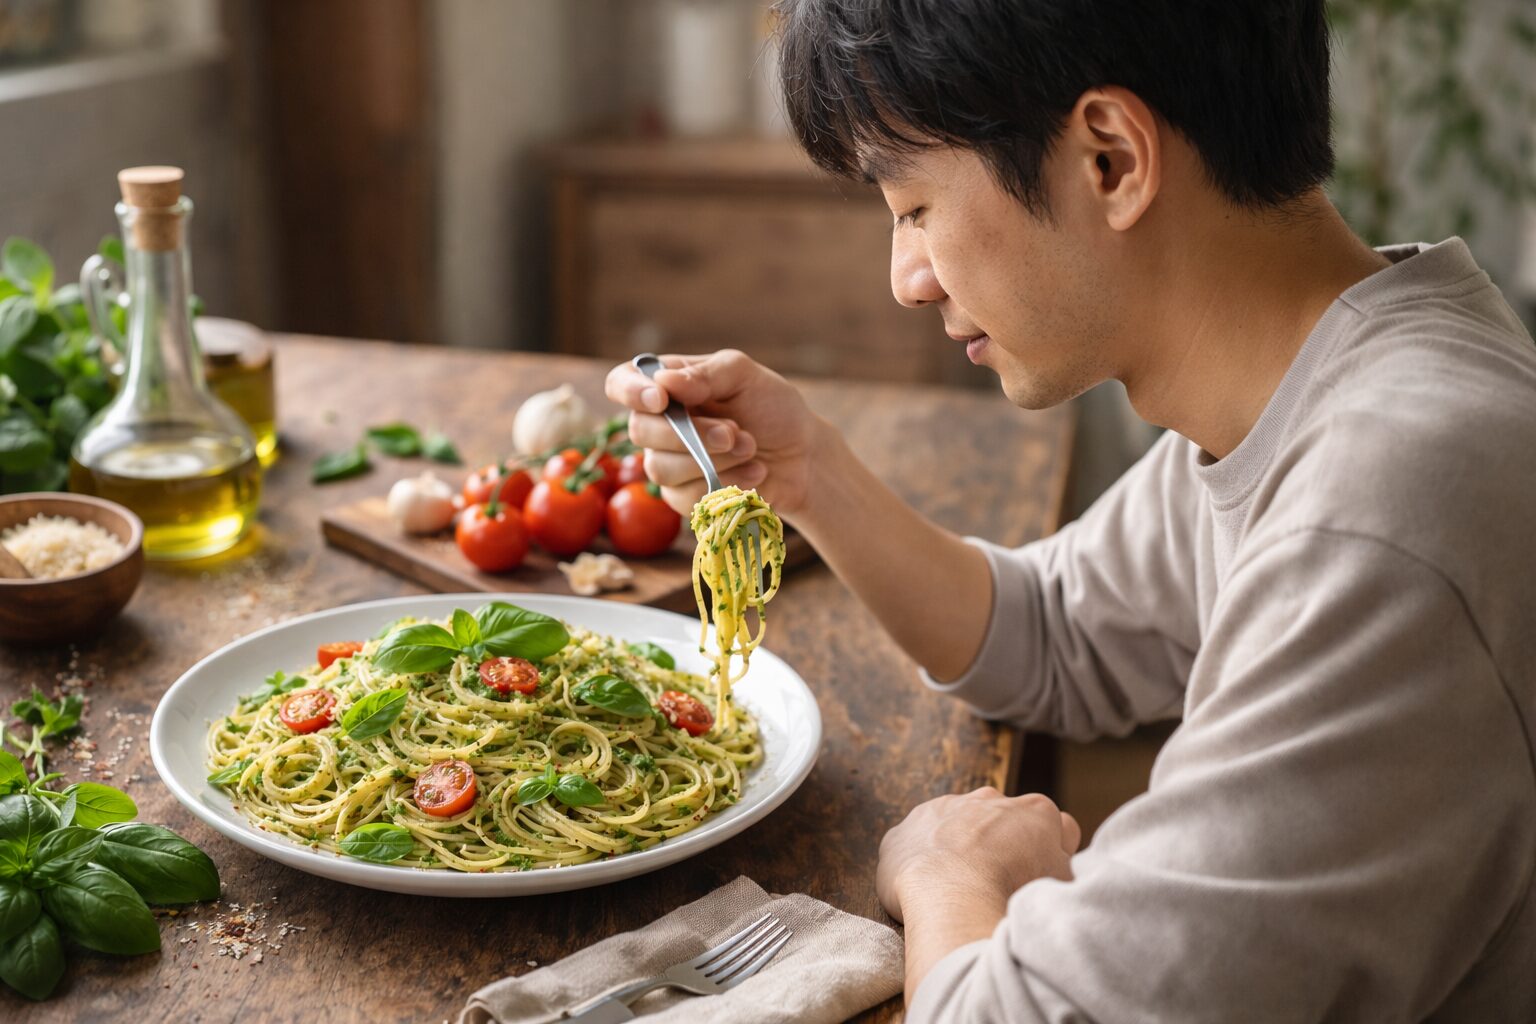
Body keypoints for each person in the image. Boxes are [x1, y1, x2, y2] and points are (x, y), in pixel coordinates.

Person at [606, 0, 1536, 1019]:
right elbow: (1050, 634)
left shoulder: (1386, 507)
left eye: (914, 206)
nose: (906, 279)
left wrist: (947, 870)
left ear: (1111, 160)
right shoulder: (1324, 380)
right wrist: (805, 473)